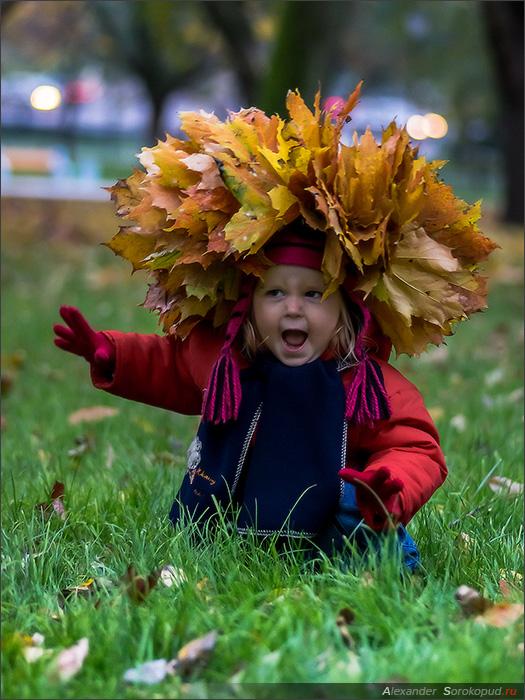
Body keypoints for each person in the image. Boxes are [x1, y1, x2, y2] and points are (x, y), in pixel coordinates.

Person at [52, 85, 495, 570]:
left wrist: (388, 485)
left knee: (370, 541)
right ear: (248, 305)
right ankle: (231, 539)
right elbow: (170, 366)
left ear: (347, 311)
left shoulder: (363, 384)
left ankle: (367, 549)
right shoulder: (229, 364)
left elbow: (415, 445)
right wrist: (110, 353)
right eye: (275, 293)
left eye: (313, 295)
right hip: (233, 522)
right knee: (224, 529)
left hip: (333, 528)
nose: (293, 309)